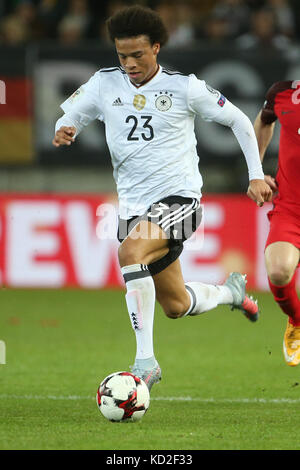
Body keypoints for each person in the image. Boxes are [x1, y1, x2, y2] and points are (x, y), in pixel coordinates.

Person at [53, 5, 272, 391]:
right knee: (175, 305)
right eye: (123, 56)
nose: (130, 64)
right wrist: (65, 128)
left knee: (129, 255)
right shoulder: (105, 84)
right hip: (134, 209)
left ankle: (145, 363)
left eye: (138, 55)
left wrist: (255, 175)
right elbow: (71, 115)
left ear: (156, 47)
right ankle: (230, 292)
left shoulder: (184, 87)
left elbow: (238, 120)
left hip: (180, 202)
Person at [254, 81, 300, 367]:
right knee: (279, 270)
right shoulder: (284, 94)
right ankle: (297, 321)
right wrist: (256, 171)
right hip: (292, 208)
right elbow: (263, 121)